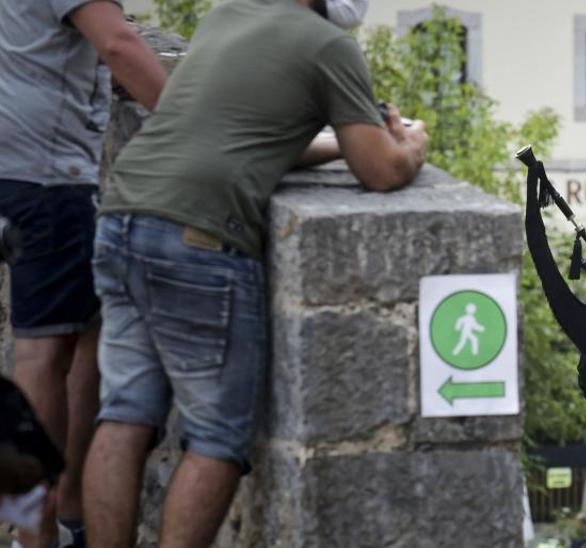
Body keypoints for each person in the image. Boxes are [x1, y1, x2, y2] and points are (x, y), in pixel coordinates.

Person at [79, 1, 427, 546]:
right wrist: (411, 146)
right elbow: (380, 170)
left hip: (125, 215)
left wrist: (339, 141)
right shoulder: (329, 46)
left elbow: (246, 133)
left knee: (124, 414)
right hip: (200, 236)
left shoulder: (227, 14)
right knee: (217, 438)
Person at [0, 1, 168, 546]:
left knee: (92, 327)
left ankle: (68, 510)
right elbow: (119, 44)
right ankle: (36, 532)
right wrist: (197, 123)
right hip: (44, 176)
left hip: (16, 162)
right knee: (44, 355)